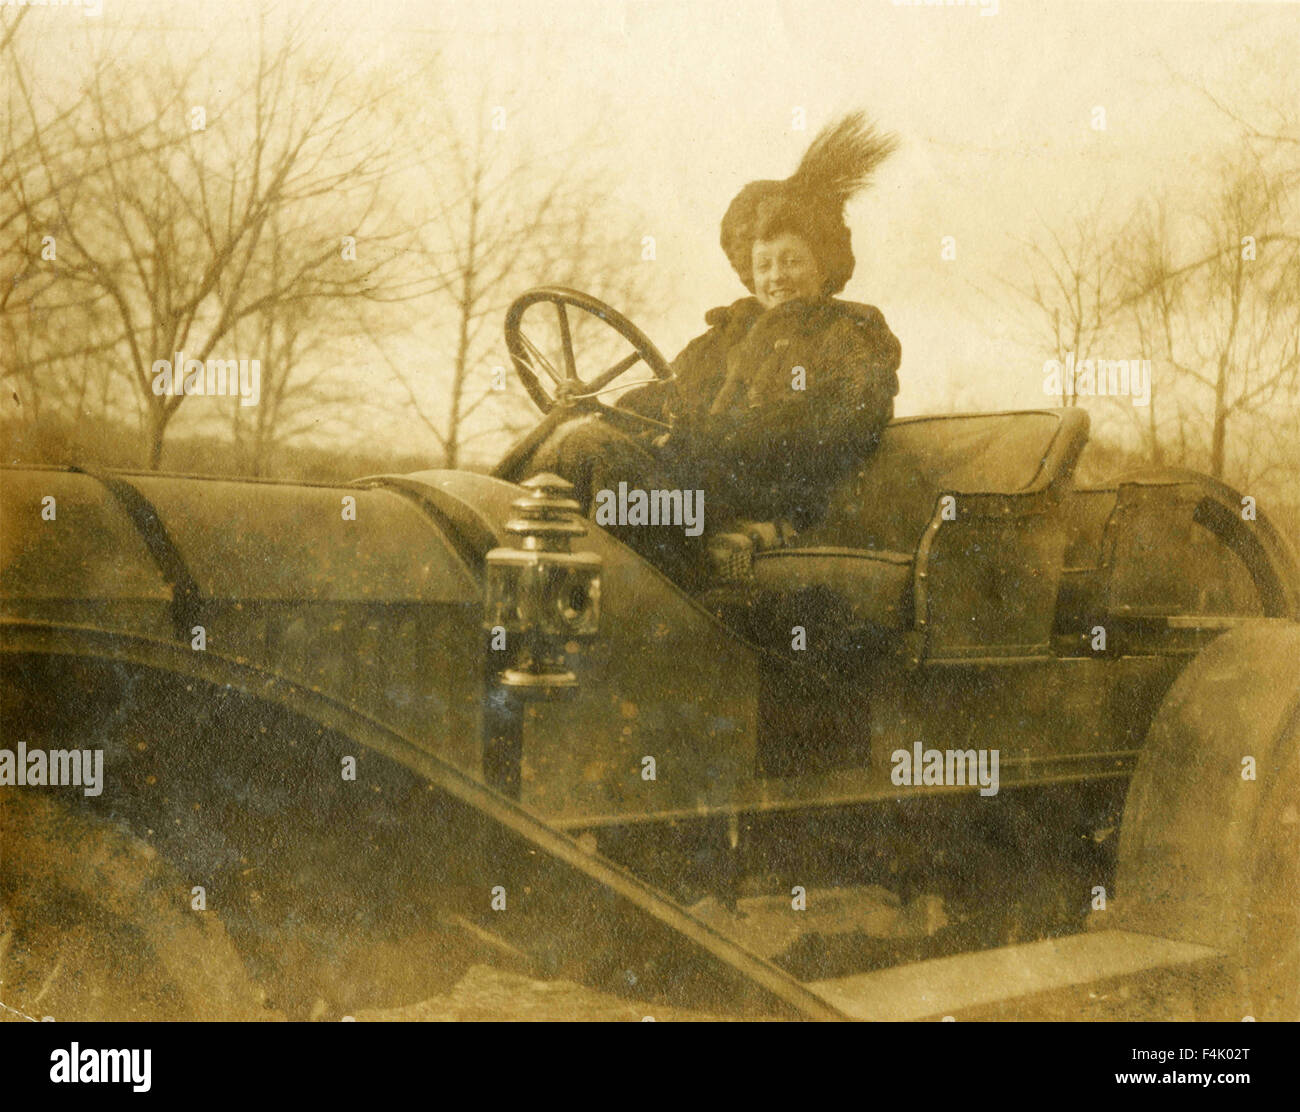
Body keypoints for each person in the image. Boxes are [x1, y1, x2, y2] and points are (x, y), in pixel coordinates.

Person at [529, 112, 903, 586]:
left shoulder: (848, 336)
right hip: (686, 493)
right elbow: (654, 400)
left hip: (750, 500)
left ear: (823, 264)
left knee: (589, 452)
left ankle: (638, 597)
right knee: (565, 442)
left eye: (791, 260)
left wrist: (723, 437)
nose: (776, 276)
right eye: (764, 264)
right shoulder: (720, 339)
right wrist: (594, 408)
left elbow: (848, 425)